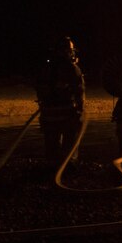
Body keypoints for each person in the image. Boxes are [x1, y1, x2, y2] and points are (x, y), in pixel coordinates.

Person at [35, 36, 86, 169]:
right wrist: (80, 111)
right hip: (67, 113)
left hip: (48, 114)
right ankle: (68, 168)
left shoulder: (45, 68)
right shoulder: (72, 68)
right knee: (70, 143)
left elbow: (39, 88)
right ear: (67, 51)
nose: (72, 54)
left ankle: (52, 168)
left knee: (51, 144)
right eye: (70, 51)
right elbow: (79, 91)